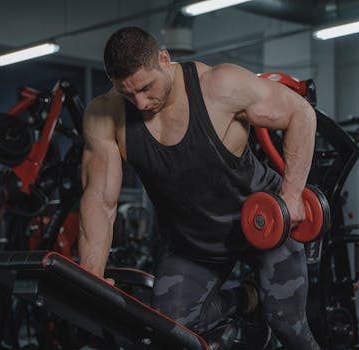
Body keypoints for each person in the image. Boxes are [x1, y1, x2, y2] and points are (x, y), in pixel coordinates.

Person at [78, 26, 321, 350]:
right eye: (127, 93)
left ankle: (268, 313)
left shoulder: (219, 86)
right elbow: (100, 199)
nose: (140, 102)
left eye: (147, 87)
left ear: (164, 59)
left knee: (287, 325)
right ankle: (248, 299)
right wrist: (91, 275)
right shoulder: (104, 115)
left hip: (263, 225)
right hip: (193, 241)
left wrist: (291, 197)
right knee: (172, 331)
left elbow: (300, 113)